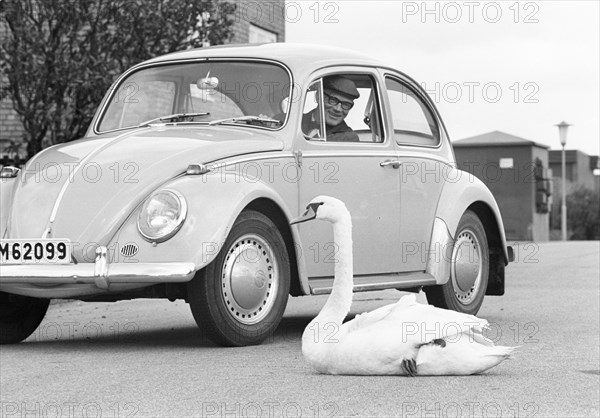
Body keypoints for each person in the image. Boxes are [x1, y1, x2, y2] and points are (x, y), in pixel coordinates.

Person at [302, 76, 360, 142]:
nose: (338, 109)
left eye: (346, 104)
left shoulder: (348, 138)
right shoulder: (294, 122)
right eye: (333, 100)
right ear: (318, 97)